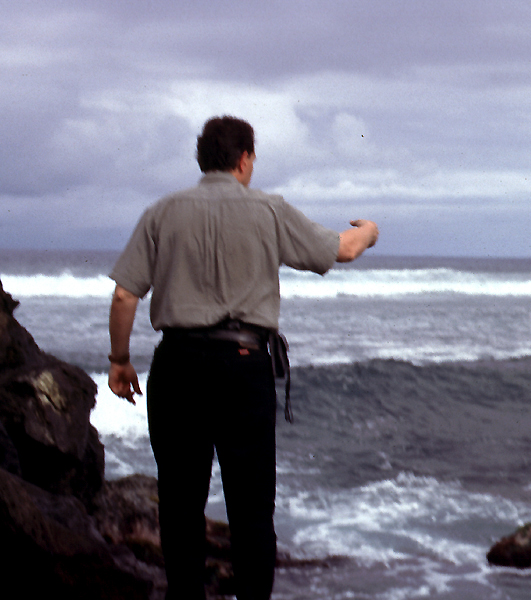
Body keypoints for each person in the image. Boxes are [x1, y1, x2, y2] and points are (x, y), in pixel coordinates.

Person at [107, 115, 378, 600]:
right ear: (245, 158)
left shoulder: (162, 212)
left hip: (179, 365)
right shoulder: (268, 210)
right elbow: (344, 249)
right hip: (243, 365)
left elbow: (126, 295)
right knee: (251, 510)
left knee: (180, 505)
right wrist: (371, 230)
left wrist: (120, 361)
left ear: (201, 159)